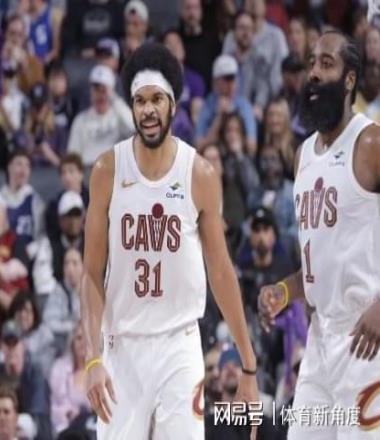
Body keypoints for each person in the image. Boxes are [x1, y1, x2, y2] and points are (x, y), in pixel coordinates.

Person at [82, 42, 258, 439]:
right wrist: (92, 358)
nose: (148, 110)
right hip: (122, 345)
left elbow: (221, 272)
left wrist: (248, 363)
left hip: (180, 344)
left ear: (173, 105)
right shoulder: (107, 170)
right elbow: (91, 273)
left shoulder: (199, 174)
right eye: (140, 100)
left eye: (156, 99)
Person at [259, 31, 380, 438]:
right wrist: (284, 291)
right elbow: (319, 266)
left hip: (367, 338)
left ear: (349, 79)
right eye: (311, 62)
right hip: (320, 340)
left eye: (326, 64)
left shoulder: (370, 142)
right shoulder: (303, 157)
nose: (313, 72)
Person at [0, 320, 52, 440]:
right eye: (7, 343)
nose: (11, 349)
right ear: (1, 346)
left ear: (23, 345)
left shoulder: (35, 375)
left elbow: (38, 417)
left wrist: (9, 423)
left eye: (15, 343)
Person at [67, 64, 134, 166]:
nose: (100, 95)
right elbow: (73, 154)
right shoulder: (81, 120)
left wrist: (113, 97)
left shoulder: (119, 116)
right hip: (88, 169)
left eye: (103, 90)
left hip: (114, 169)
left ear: (112, 91)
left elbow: (134, 129)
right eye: (96, 89)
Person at [195, 54, 258, 154]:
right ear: (216, 82)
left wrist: (235, 134)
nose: (231, 83)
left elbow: (252, 147)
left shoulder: (244, 105)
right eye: (226, 79)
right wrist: (219, 118)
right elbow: (199, 147)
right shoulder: (207, 106)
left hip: (238, 156)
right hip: (215, 157)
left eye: (233, 78)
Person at [50, 322, 92, 435]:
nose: (83, 342)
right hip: (68, 428)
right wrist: (69, 413)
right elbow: (56, 404)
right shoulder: (59, 368)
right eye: (79, 338)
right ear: (72, 342)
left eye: (87, 338)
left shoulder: (100, 369)